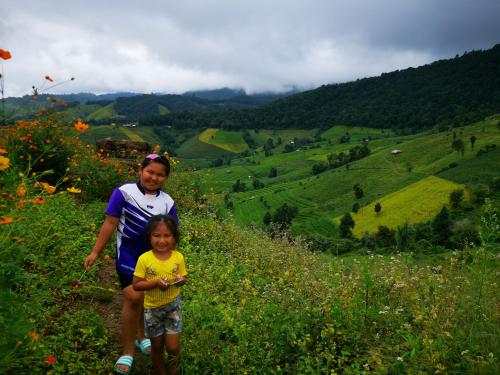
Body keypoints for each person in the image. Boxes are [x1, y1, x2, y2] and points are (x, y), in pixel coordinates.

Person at [84, 154, 178, 375]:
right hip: (127, 255)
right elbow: (110, 223)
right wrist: (96, 252)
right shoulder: (124, 193)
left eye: (160, 174)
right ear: (141, 170)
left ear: (165, 178)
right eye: (150, 172)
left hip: (154, 260)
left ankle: (141, 336)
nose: (153, 177)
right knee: (134, 297)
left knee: (146, 298)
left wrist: (172, 261)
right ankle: (127, 352)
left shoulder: (167, 201)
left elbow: (171, 234)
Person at [133, 215, 187, 375]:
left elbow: (184, 278)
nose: (162, 241)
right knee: (156, 347)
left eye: (167, 235)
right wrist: (155, 283)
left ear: (174, 237)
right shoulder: (144, 259)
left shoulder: (178, 257)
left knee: (173, 347)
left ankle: (174, 371)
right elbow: (137, 285)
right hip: (153, 310)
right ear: (149, 237)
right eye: (157, 235)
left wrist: (180, 280)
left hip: (173, 308)